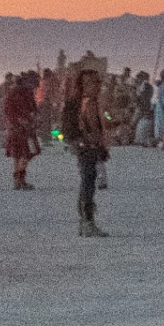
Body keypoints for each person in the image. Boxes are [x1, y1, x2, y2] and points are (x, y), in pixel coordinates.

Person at [61, 67, 109, 237]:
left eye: (98, 82)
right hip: (84, 146)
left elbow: (105, 119)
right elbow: (66, 127)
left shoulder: (95, 102)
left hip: (94, 145)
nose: (97, 86)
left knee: (89, 180)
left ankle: (86, 221)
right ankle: (87, 221)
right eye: (93, 82)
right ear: (83, 84)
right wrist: (78, 140)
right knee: (87, 181)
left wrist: (113, 120)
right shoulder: (75, 103)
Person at [2, 71, 40, 187]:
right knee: (27, 152)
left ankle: (18, 179)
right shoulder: (17, 92)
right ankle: (19, 178)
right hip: (20, 127)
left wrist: (34, 115)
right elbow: (9, 109)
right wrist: (21, 119)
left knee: (19, 153)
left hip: (21, 126)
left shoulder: (24, 92)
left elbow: (32, 107)